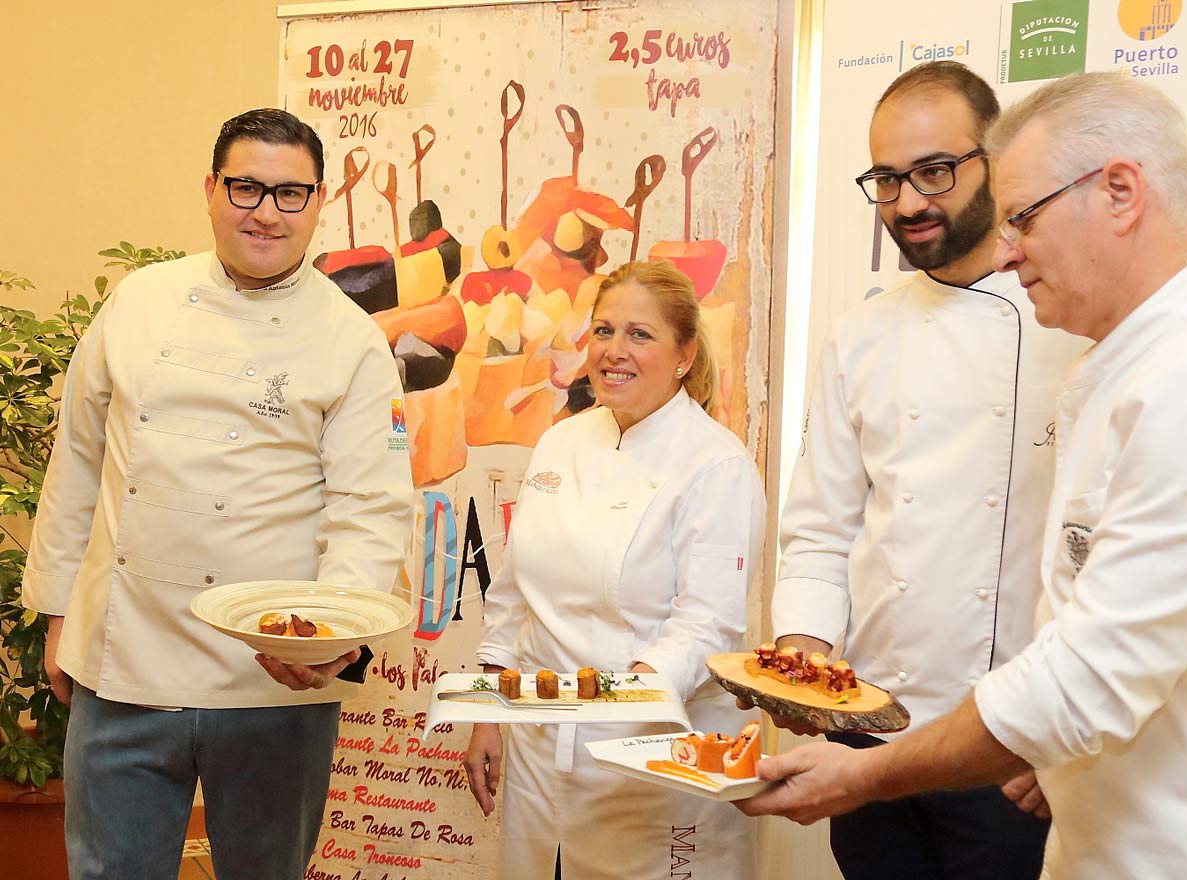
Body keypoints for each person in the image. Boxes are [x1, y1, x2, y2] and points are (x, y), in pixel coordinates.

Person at [740, 72, 1187, 878]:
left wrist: (874, 771)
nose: (1010, 250)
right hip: (1052, 777)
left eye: (1024, 217)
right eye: (886, 181)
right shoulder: (1127, 361)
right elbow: (826, 527)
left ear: (1120, 192)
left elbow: (1090, 670)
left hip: (1181, 838)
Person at [21, 108, 414, 880]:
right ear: (210, 190)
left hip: (272, 678)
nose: (266, 212)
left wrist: (332, 638)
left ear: (318, 201)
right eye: (245, 187)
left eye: (290, 194)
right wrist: (60, 608)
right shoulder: (138, 301)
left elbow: (370, 510)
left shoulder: (354, 342)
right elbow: (78, 459)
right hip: (123, 662)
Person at [767, 61, 1082, 879]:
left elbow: (1109, 558)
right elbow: (819, 527)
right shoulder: (861, 335)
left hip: (1006, 754)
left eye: (935, 171)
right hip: (867, 734)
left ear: (997, 157)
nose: (908, 203)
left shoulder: (1071, 321)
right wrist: (802, 652)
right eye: (887, 179)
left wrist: (1063, 731)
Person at [464, 259, 766, 879]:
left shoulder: (717, 465)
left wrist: (619, 694)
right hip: (540, 750)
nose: (614, 351)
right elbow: (515, 592)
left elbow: (708, 625)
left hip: (653, 753)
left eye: (639, 334)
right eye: (603, 331)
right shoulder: (561, 442)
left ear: (683, 355)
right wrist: (491, 708)